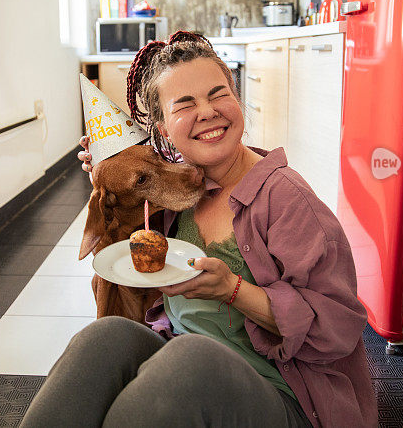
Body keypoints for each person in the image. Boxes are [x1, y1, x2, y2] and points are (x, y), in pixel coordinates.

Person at [20, 31, 376, 428]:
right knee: (101, 340)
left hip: (281, 393)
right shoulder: (180, 189)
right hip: (179, 359)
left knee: (189, 360)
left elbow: (338, 328)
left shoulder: (289, 201)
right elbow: (119, 270)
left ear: (237, 99)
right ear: (163, 130)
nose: (207, 112)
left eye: (218, 94)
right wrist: (111, 175)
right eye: (185, 104)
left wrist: (234, 291)